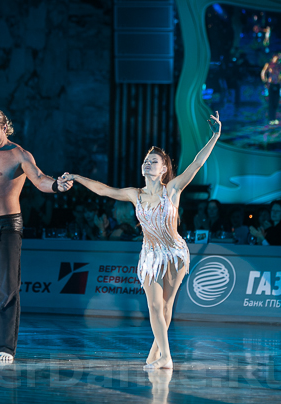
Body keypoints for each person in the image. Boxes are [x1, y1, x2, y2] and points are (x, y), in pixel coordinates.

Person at [60, 111, 223, 370]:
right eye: (146, 160)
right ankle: (166, 357)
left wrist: (215, 136)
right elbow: (103, 189)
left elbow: (197, 163)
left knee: (166, 307)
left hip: (175, 253)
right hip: (150, 256)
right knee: (155, 306)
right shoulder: (134, 194)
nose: (148, 163)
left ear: (164, 169)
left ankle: (156, 354)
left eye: (154, 161)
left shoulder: (173, 189)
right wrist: (77, 178)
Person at [0, 109, 72, 363]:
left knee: (8, 291)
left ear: (5, 128)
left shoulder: (19, 154)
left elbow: (39, 179)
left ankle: (5, 348)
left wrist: (57, 185)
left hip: (7, 227)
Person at [260, 53, 281, 125]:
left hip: (278, 84)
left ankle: (274, 118)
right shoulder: (269, 64)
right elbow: (263, 72)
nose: (278, 59)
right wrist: (265, 81)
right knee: (271, 102)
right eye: (277, 57)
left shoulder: (280, 65)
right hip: (271, 84)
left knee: (276, 102)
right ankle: (271, 118)